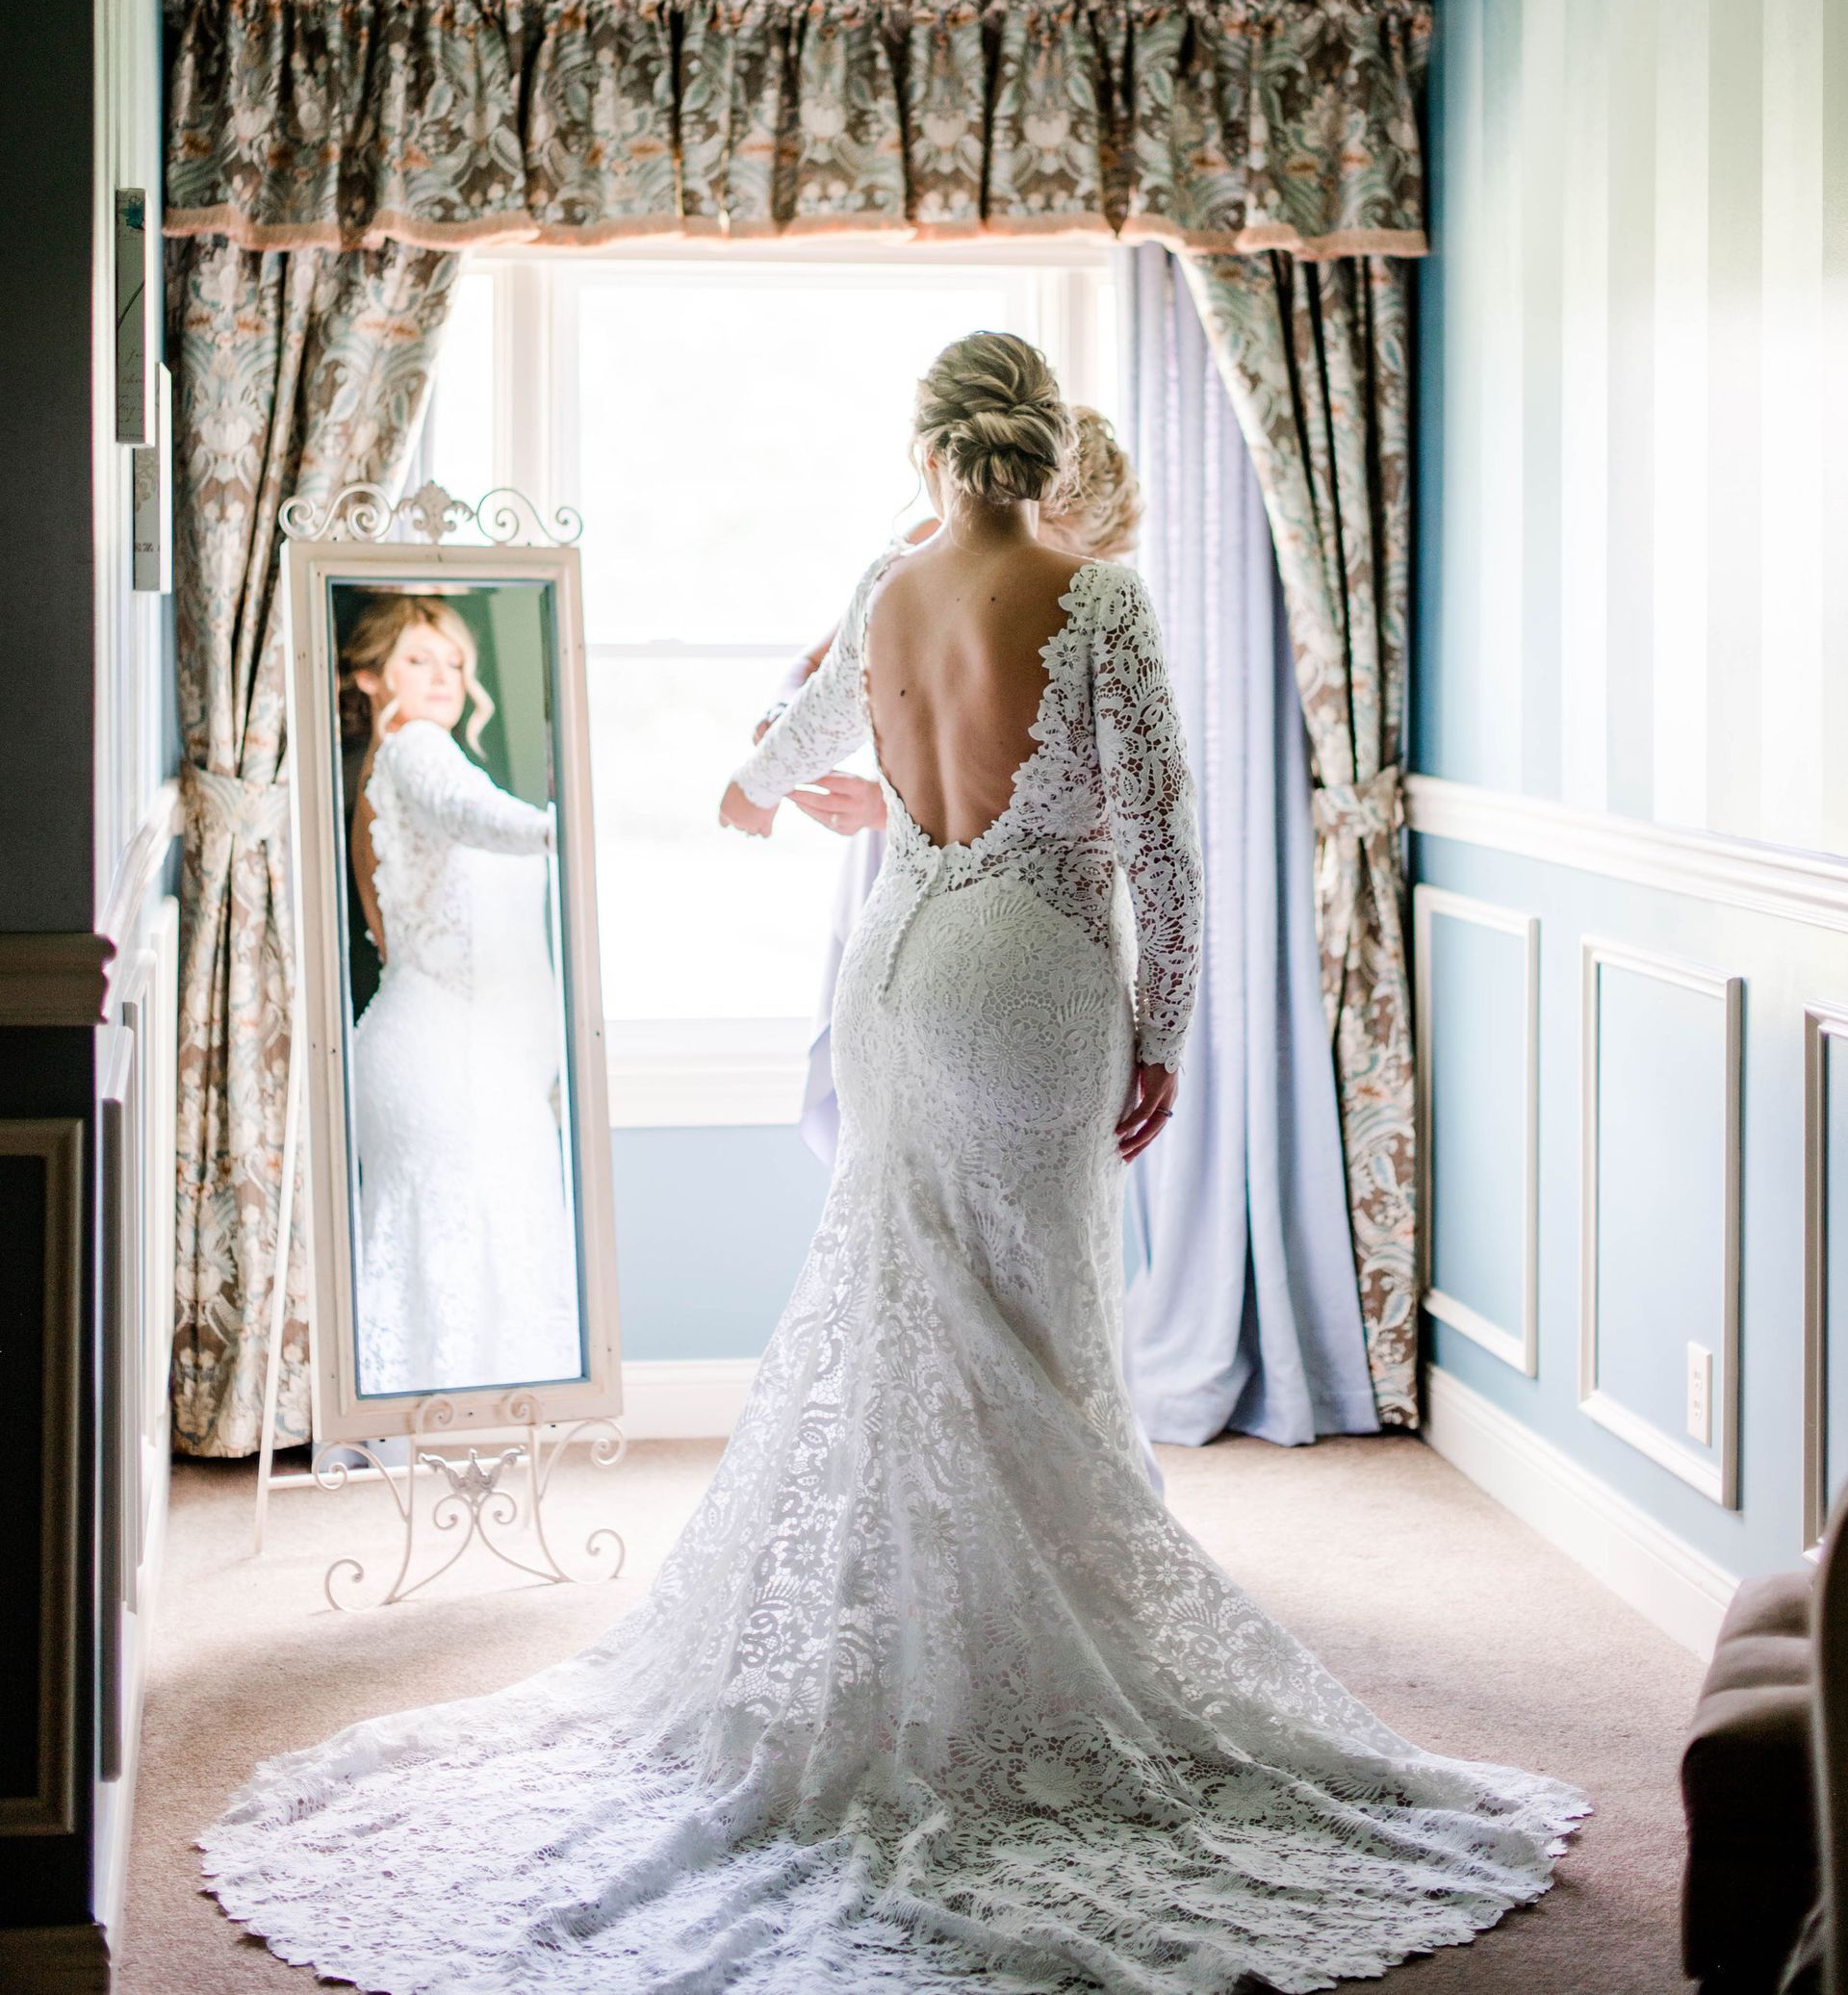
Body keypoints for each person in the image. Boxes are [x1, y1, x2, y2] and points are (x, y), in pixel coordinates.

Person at [203, 338, 1585, 1994]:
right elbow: (1162, 838)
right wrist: (1164, 1031)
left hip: (897, 968)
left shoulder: (882, 584)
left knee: (907, 1294)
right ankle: (1043, 1659)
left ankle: (913, 1648)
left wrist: (834, 800)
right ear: (1038, 446)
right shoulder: (1101, 599)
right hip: (1033, 975)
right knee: (1040, 1315)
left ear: (931, 449)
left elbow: (759, 773)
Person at [777, 406, 1144, 1165]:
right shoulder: (925, 552)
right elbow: (810, 674)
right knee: (902, 1126)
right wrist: (790, 744)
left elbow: (1086, 789)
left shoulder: (1102, 601)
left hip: (1035, 890)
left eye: (1057, 547)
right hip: (909, 862)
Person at [341, 594, 580, 1396]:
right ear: (372, 678)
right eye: (418, 659)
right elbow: (475, 817)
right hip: (441, 1055)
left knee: (467, 1248)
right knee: (466, 1245)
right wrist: (572, 824)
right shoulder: (417, 752)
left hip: (454, 1049)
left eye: (453, 661)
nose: (443, 676)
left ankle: (443, 1437)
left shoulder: (412, 757)